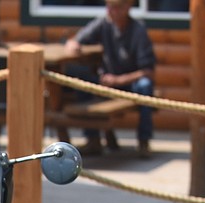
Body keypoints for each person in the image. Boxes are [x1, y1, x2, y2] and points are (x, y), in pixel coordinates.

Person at [65, 0, 156, 158]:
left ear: (127, 7)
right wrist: (73, 44)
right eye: (110, 7)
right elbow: (77, 39)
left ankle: (144, 142)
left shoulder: (138, 30)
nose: (112, 11)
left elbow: (147, 71)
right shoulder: (103, 23)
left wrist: (119, 80)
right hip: (107, 82)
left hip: (131, 84)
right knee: (82, 81)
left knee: (145, 86)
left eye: (116, 7)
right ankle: (93, 139)